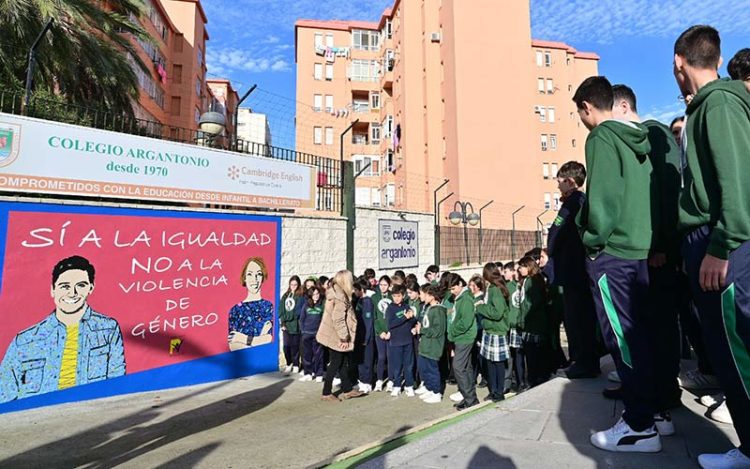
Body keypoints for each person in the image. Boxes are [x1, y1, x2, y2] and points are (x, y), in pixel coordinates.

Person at [673, 25, 750, 468]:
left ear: (679, 65)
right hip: (713, 240)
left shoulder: (718, 104)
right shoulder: (709, 106)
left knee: (737, 351)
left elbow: (736, 186)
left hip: (723, 242)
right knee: (726, 350)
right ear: (717, 60)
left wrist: (719, 247)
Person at [573, 75, 660, 453]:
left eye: (580, 113)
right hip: (638, 249)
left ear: (588, 108)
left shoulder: (602, 138)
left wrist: (591, 240)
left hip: (613, 252)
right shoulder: (638, 139)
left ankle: (640, 425)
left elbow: (604, 200)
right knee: (639, 337)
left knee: (622, 339)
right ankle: (652, 414)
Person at [611, 84, 684, 423]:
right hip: (642, 251)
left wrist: (662, 246)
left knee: (660, 325)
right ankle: (643, 387)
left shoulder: (654, 134)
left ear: (623, 106)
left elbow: (667, 190)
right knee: (643, 324)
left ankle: (664, 396)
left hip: (659, 251)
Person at [0, 256, 125, 403]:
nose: (72, 293)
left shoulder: (107, 330)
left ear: (91, 288)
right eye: (65, 286)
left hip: (90, 413)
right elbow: (5, 394)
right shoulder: (25, 340)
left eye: (81, 285)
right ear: (53, 290)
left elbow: (116, 385)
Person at [547, 161, 601, 380]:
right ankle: (584, 361)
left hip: (574, 271)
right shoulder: (576, 201)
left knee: (578, 319)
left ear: (570, 181)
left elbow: (557, 233)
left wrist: (550, 248)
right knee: (577, 318)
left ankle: (585, 363)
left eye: (560, 180)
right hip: (573, 270)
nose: (557, 184)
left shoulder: (575, 202)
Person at [317, 270, 365, 402]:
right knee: (336, 362)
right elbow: (338, 319)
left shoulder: (334, 292)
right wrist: (344, 338)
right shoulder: (340, 297)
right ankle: (326, 392)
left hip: (332, 333)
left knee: (343, 362)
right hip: (336, 335)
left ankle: (347, 389)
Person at [476, 263, 511, 402]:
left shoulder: (495, 290)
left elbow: (497, 313)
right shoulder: (491, 288)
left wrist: (481, 308)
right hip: (490, 330)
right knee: (490, 362)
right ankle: (494, 390)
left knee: (497, 364)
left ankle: (499, 391)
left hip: (496, 330)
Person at [516, 257, 550, 388]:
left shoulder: (532, 281)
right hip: (530, 323)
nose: (519, 269)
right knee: (532, 355)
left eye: (522, 266)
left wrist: (522, 319)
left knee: (534, 355)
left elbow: (532, 304)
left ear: (529, 267)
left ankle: (536, 380)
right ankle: (535, 378)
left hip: (533, 324)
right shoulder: (526, 281)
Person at [447, 274, 479, 410]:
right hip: (461, 337)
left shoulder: (465, 299)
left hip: (464, 337)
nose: (452, 292)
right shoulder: (460, 298)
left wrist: (452, 332)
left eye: (453, 288)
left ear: (460, 284)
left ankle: (470, 399)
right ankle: (470, 398)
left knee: (458, 367)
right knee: (466, 367)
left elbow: (465, 322)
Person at [228, 257, 274, 352]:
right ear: (244, 278)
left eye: (259, 274)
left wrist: (242, 339)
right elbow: (232, 344)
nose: (255, 279)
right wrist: (258, 340)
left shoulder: (268, 306)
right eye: (250, 274)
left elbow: (268, 338)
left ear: (263, 277)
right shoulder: (235, 310)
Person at [416, 284, 447, 404]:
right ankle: (429, 388)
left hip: (433, 347)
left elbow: (438, 330)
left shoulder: (438, 310)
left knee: (432, 370)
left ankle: (436, 392)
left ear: (433, 296)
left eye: (426, 294)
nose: (423, 296)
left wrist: (422, 330)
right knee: (425, 369)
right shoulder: (429, 308)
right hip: (425, 346)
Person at [386, 284, 417, 397]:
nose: (396, 298)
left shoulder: (406, 306)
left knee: (408, 365)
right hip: (396, 342)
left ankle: (409, 386)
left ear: (403, 296)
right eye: (394, 296)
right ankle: (397, 386)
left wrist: (412, 318)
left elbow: (411, 321)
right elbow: (391, 324)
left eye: (398, 296)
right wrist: (404, 317)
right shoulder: (390, 308)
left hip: (407, 341)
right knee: (397, 366)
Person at [354, 278, 376, 393]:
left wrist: (366, 338)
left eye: (356, 290)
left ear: (361, 290)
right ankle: (362, 381)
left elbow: (368, 322)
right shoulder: (359, 300)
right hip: (359, 336)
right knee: (360, 360)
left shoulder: (367, 302)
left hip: (366, 337)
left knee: (367, 360)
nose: (354, 292)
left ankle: (367, 383)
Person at [299, 286, 325, 383]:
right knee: (307, 355)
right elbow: (301, 319)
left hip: (317, 334)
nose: (316, 296)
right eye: (314, 294)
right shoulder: (306, 305)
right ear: (310, 295)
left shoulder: (321, 305)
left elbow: (323, 320)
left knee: (318, 355)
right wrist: (303, 331)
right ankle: (308, 373)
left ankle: (319, 374)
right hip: (307, 334)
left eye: (317, 294)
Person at [279, 276, 303, 374]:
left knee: (295, 346)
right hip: (286, 326)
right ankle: (289, 363)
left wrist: (289, 317)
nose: (293, 286)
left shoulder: (300, 297)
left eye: (295, 285)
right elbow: (281, 310)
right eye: (291, 284)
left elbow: (297, 312)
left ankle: (296, 364)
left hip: (295, 325)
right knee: (286, 347)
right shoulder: (285, 296)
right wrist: (283, 321)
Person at [373, 275, 392, 392]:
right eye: (381, 285)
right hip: (379, 333)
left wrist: (390, 331)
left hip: (391, 333)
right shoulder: (374, 298)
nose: (383, 287)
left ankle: (391, 380)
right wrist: (380, 331)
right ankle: (379, 380)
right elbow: (374, 317)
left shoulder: (392, 296)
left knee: (390, 357)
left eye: (385, 285)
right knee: (381, 357)